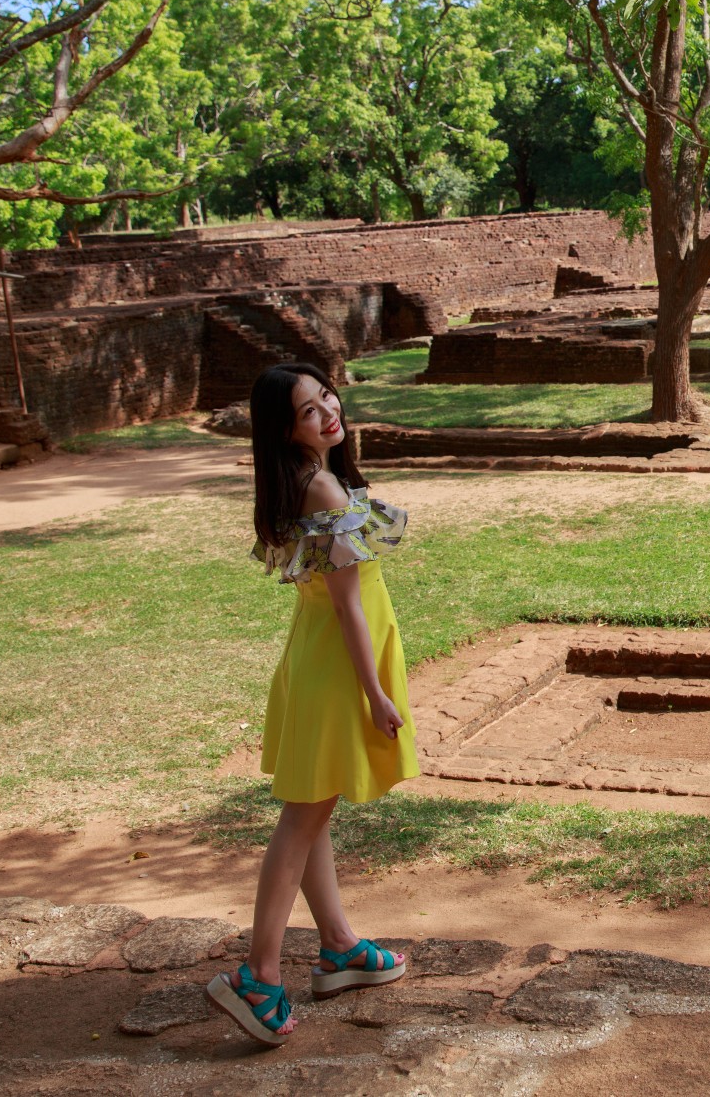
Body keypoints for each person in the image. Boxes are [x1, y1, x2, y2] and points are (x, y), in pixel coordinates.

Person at [206, 362, 421, 1046]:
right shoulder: (322, 484)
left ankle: (337, 946)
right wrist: (376, 692)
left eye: (324, 395)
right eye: (307, 410)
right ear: (286, 429)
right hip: (336, 669)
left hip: (315, 659)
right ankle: (258, 975)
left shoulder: (303, 481)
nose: (328, 410)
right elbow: (351, 607)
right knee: (303, 819)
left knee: (314, 808)